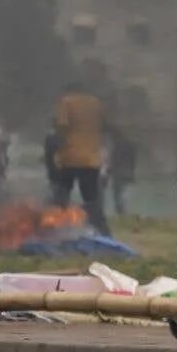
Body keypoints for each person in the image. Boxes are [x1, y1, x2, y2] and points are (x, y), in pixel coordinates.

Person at [52, 83, 110, 237]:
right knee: (91, 200)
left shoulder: (66, 102)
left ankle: (56, 231)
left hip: (70, 157)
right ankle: (103, 233)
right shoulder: (95, 103)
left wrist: (57, 150)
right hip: (91, 160)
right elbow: (105, 126)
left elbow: (62, 128)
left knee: (61, 199)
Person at [107, 133, 136, 218]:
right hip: (126, 173)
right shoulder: (130, 148)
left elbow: (113, 161)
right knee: (123, 193)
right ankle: (123, 212)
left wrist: (109, 172)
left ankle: (121, 212)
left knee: (118, 194)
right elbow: (132, 162)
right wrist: (132, 173)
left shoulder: (116, 148)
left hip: (118, 174)